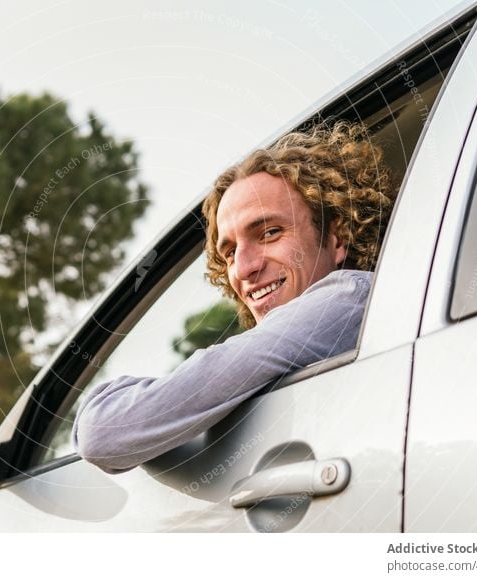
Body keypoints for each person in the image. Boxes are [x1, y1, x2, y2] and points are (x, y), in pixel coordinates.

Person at [72, 121, 393, 474]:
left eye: (269, 232)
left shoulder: (348, 298)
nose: (242, 269)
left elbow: (103, 432)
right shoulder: (308, 347)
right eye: (229, 252)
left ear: (338, 237)